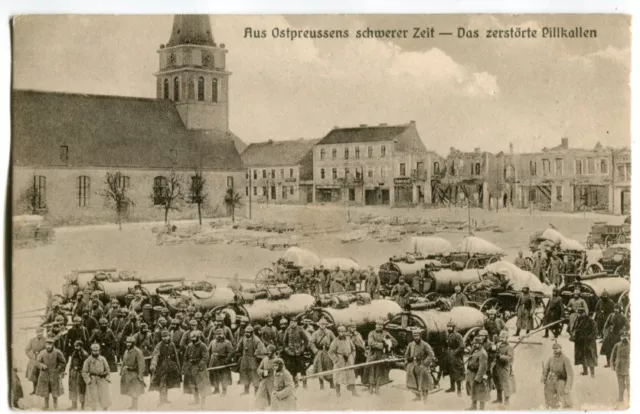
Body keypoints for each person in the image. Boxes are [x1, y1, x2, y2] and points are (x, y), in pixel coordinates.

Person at [150, 329, 182, 406]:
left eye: (166, 336)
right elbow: (155, 355)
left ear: (169, 336)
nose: (165, 338)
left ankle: (165, 399)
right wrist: (153, 364)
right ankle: (161, 400)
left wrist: (178, 367)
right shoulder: (159, 345)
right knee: (162, 383)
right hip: (162, 367)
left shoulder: (172, 344)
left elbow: (176, 356)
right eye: (163, 337)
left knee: (167, 383)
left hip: (170, 367)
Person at [364, 319, 397, 394]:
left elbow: (395, 343)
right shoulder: (371, 333)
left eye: (381, 325)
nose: (379, 326)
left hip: (382, 354)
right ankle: (371, 387)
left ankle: (377, 387)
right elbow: (371, 343)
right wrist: (382, 345)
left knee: (380, 371)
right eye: (378, 325)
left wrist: (389, 343)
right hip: (373, 354)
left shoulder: (386, 333)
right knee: (371, 370)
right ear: (375, 325)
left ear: (383, 326)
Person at [404, 328, 435, 402]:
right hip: (412, 365)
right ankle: (417, 396)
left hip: (421, 365)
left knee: (424, 382)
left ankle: (425, 399)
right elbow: (406, 355)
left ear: (420, 336)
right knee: (411, 382)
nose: (416, 337)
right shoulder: (411, 344)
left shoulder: (425, 344)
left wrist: (425, 363)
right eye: (414, 335)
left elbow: (431, 354)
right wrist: (407, 362)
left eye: (417, 335)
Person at [35, 338, 66, 410]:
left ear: (53, 345)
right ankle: (46, 406)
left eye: (50, 344)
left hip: (54, 375)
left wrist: (58, 369)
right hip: (44, 374)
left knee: (55, 391)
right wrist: (42, 366)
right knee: (45, 391)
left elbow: (63, 362)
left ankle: (55, 406)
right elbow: (37, 362)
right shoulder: (42, 352)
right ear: (45, 345)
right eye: (47, 344)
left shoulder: (57, 352)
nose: (48, 346)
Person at [328, 325, 359, 397]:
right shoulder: (335, 341)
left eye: (344, 331)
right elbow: (330, 352)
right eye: (341, 332)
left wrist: (352, 357)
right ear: (338, 332)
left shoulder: (349, 340)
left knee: (351, 375)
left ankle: (354, 391)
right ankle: (338, 392)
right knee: (338, 376)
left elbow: (353, 349)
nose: (343, 333)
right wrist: (336, 360)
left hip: (349, 359)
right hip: (340, 360)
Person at [236, 325, 267, 395]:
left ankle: (256, 391)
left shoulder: (256, 340)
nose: (247, 334)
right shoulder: (243, 338)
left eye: (248, 332)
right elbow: (239, 347)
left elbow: (261, 349)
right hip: (245, 360)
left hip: (253, 360)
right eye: (246, 332)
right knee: (245, 375)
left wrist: (256, 354)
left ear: (252, 333)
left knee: (254, 376)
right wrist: (238, 353)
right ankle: (246, 390)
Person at [182, 331, 211, 407]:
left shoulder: (202, 346)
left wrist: (200, 366)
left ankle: (203, 401)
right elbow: (185, 357)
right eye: (191, 338)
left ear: (198, 337)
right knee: (193, 385)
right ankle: (196, 400)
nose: (193, 340)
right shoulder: (189, 346)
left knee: (201, 385)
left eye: (194, 338)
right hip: (191, 367)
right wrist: (185, 366)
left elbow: (205, 357)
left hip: (199, 368)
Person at [542, 342, 573, 408]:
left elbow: (570, 374)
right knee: (548, 395)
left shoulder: (565, 359)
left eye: (557, 348)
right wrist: (544, 377)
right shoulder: (551, 358)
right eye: (554, 349)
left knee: (561, 397)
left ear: (560, 349)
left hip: (561, 380)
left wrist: (567, 387)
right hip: (551, 379)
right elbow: (546, 369)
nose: (555, 350)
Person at [82, 343, 112, 411]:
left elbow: (107, 369)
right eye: (94, 351)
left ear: (99, 351)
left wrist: (106, 377)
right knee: (93, 397)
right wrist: (88, 381)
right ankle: (94, 410)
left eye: (97, 350)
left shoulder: (103, 359)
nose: (95, 352)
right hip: (93, 380)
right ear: (91, 351)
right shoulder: (88, 360)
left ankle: (105, 410)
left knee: (104, 396)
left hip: (102, 380)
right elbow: (84, 372)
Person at [309, 318, 336, 390]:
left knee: (329, 366)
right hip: (319, 352)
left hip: (327, 352)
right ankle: (321, 384)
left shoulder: (329, 332)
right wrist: (315, 350)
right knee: (319, 367)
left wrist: (332, 349)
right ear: (319, 325)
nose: (322, 326)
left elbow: (334, 341)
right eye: (321, 324)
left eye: (324, 324)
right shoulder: (315, 333)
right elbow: (311, 343)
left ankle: (331, 383)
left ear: (326, 325)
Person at [570, 307, 598, 377]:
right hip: (580, 341)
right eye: (579, 313)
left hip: (589, 342)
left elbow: (595, 332)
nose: (580, 315)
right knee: (582, 357)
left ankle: (592, 373)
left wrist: (589, 337)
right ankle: (585, 371)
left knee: (590, 357)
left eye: (581, 313)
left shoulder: (591, 321)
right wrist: (574, 335)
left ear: (585, 313)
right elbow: (574, 328)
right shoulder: (578, 320)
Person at [120, 336, 146, 409]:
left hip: (135, 374)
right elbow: (124, 362)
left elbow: (141, 364)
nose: (128, 344)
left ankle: (135, 406)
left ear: (133, 343)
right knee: (130, 390)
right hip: (128, 374)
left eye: (130, 343)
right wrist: (122, 371)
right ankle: (133, 405)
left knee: (135, 391)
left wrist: (140, 375)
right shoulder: (126, 351)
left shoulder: (138, 352)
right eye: (127, 343)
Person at [282, 318, 309, 387]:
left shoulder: (300, 329)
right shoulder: (287, 330)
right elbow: (284, 341)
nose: (293, 323)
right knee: (292, 369)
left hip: (299, 352)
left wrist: (302, 349)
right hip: (291, 353)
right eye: (291, 322)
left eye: (294, 322)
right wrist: (286, 349)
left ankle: (304, 384)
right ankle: (295, 383)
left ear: (296, 323)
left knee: (302, 368)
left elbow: (306, 340)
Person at [466, 336, 490, 410]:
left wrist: (477, 378)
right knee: (474, 391)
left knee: (481, 393)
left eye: (476, 343)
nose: (474, 345)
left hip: (478, 375)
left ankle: (481, 409)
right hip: (472, 373)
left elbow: (482, 368)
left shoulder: (483, 353)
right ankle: (473, 407)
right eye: (474, 343)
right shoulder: (475, 350)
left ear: (480, 344)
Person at [208, 328, 234, 396]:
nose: (218, 336)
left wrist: (226, 360)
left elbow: (231, 352)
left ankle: (224, 390)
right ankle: (216, 389)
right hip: (214, 362)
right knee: (214, 376)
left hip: (223, 362)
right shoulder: (212, 342)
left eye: (220, 334)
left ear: (223, 334)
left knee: (223, 377)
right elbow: (209, 351)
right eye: (217, 334)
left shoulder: (227, 343)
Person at [492, 330, 514, 406]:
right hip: (496, 367)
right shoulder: (497, 345)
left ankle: (507, 400)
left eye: (503, 337)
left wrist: (500, 356)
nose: (501, 339)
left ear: (506, 338)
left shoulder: (509, 347)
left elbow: (510, 358)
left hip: (504, 368)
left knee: (505, 384)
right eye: (501, 337)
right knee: (497, 383)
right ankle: (499, 399)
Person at [255, 344, 279, 409]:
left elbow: (282, 372)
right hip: (264, 381)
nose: (268, 353)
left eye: (270, 352)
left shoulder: (278, 361)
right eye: (267, 351)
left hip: (273, 382)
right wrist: (263, 372)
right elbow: (258, 369)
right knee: (259, 397)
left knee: (275, 400)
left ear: (274, 352)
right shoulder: (265, 359)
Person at [444, 321, 465, 396]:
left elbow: (461, 346)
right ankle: (452, 387)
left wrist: (454, 353)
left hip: (456, 356)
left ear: (453, 327)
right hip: (449, 355)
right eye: (448, 326)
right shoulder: (448, 335)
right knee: (450, 371)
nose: (449, 328)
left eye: (450, 326)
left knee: (457, 372)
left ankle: (459, 390)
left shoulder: (457, 335)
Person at [610, 329, 630, 404]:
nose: (624, 337)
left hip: (629, 367)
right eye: (622, 336)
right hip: (619, 367)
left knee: (629, 383)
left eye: (626, 336)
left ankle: (630, 397)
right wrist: (612, 364)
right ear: (620, 337)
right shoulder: (617, 345)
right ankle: (620, 397)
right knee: (620, 383)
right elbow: (613, 355)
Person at [25, 327, 47, 395]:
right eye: (38, 332)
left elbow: (48, 349)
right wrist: (32, 356)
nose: (39, 334)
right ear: (36, 333)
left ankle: (42, 391)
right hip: (34, 360)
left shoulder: (46, 340)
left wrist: (44, 355)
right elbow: (27, 350)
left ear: (43, 333)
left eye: (41, 332)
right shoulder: (32, 340)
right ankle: (35, 390)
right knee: (34, 375)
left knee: (42, 375)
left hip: (43, 360)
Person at [67, 340, 88, 410]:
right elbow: (71, 363)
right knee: (73, 389)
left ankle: (82, 405)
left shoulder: (85, 354)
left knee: (81, 390)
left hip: (80, 374)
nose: (76, 347)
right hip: (73, 374)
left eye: (77, 346)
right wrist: (70, 371)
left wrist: (81, 371)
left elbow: (86, 366)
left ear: (81, 346)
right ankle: (74, 405)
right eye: (75, 346)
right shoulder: (74, 353)